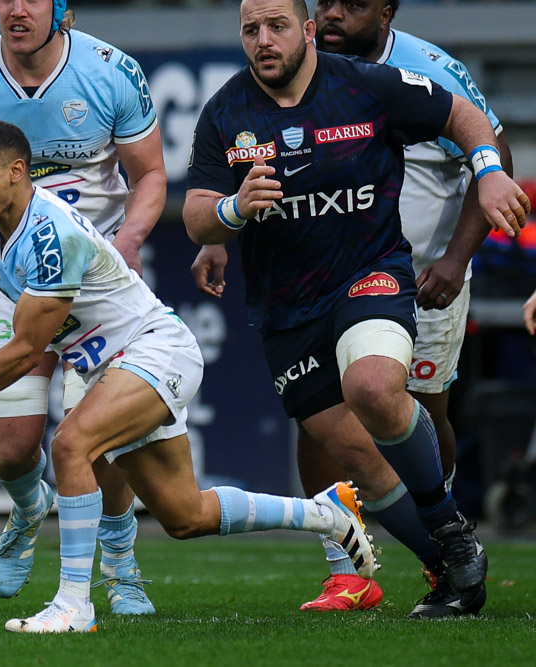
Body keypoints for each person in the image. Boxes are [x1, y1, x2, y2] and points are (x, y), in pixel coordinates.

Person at [0, 120, 377, 633]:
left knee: (71, 445)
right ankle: (328, 514)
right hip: (111, 366)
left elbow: (26, 351)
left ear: (15, 171)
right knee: (185, 516)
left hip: (155, 350)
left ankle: (74, 603)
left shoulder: (51, 235)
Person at [183, 0, 529, 621]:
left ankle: (448, 524)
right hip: (288, 305)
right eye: (251, 29)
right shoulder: (225, 112)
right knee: (352, 455)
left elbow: (463, 115)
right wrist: (232, 212)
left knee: (373, 388)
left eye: (277, 27)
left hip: (372, 273)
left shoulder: (367, 85)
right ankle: (450, 562)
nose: (264, 41)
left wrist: (488, 172)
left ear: (306, 31)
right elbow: (195, 215)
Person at [0, 0, 165, 613]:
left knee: (95, 438)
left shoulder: (112, 71)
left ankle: (120, 562)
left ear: (61, 5)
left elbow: (151, 174)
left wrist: (127, 241)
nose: (16, 9)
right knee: (13, 448)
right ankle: (27, 508)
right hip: (8, 274)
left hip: (93, 285)